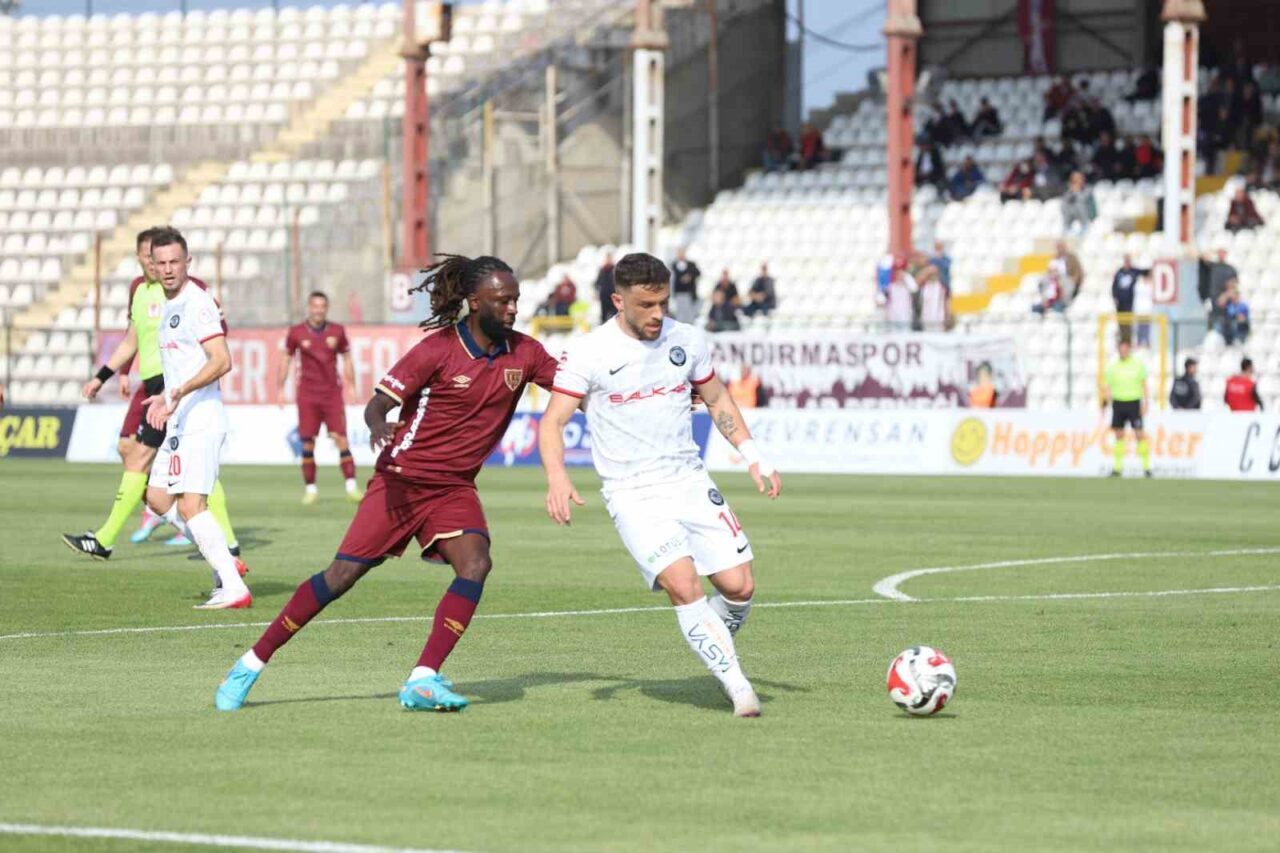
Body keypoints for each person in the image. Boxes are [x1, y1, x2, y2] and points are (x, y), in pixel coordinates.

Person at [214, 253, 561, 713]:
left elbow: (575, 386)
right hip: (402, 482)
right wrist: (379, 425)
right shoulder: (437, 350)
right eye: (503, 301)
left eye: (516, 300)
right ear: (476, 303)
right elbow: (377, 405)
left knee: (476, 564)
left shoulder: (526, 353)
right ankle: (252, 662)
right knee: (339, 578)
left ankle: (422, 677)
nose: (513, 309)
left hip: (454, 486)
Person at [539, 252, 782, 718]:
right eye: (646, 305)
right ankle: (737, 686)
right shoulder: (590, 352)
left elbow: (716, 399)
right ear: (618, 300)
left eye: (663, 303)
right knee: (684, 585)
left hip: (688, 479)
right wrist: (557, 477)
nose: (657, 314)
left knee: (740, 586)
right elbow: (553, 422)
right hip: (632, 494)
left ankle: (709, 642)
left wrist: (754, 457)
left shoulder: (686, 340)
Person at [62, 227, 244, 569]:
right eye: (152, 258)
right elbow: (133, 339)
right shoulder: (140, 290)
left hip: (172, 387)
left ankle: (105, 538)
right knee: (132, 453)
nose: (159, 265)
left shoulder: (191, 292)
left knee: (143, 462)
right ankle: (225, 545)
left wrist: (175, 387)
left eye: (166, 259)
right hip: (151, 388)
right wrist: (107, 375)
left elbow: (217, 346)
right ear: (143, 259)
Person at [134, 229, 253, 608]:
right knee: (155, 496)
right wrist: (166, 396)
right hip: (179, 418)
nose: (168, 269)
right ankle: (223, 558)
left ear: (188, 262)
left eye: (175, 262)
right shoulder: (168, 304)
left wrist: (178, 392)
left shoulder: (197, 303)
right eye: (161, 263)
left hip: (201, 417)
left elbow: (222, 361)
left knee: (191, 505)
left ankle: (234, 587)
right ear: (152, 265)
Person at [279, 291, 361, 505]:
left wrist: (352, 386)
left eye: (322, 306)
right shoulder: (296, 332)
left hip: (332, 394)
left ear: (327, 308)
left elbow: (347, 359)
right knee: (307, 444)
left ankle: (351, 487)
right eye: (315, 306)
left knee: (341, 439)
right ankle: (311, 489)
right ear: (309, 307)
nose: (318, 310)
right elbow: (286, 359)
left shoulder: (337, 331)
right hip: (307, 395)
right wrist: (280, 389)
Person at [1100, 336, 1152, 478]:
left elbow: (1144, 384)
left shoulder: (1137, 364)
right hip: (1118, 403)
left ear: (1129, 349)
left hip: (1134, 402)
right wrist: (1105, 403)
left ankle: (1147, 467)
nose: (1123, 351)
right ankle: (1117, 468)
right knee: (1118, 435)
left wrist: (1146, 403)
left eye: (1125, 348)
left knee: (1139, 434)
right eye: (1120, 348)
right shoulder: (1113, 367)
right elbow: (1107, 386)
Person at [1111, 255, 1148, 335]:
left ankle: (1128, 336)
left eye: (1128, 261)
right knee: (1121, 320)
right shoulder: (1119, 272)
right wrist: (1115, 297)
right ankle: (1122, 334)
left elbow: (1144, 272)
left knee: (1129, 320)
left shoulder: (1133, 271)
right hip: (1121, 302)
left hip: (1130, 301)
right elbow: (1114, 286)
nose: (1127, 263)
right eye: (1125, 261)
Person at [670, 247, 701, 324]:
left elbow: (698, 273)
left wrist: (689, 276)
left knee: (689, 314)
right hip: (678, 293)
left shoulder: (691, 264)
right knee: (680, 314)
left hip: (689, 293)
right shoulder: (673, 265)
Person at [884, 258, 916, 330]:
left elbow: (914, 288)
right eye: (897, 272)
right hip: (893, 317)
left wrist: (905, 276)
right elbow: (886, 299)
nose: (899, 274)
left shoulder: (908, 285)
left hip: (905, 316)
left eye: (901, 272)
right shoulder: (891, 287)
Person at [1216, 279, 1251, 345]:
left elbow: (1241, 319)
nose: (1230, 294)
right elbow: (1220, 303)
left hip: (1240, 332)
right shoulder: (1229, 305)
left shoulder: (1242, 305)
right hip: (1229, 331)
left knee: (1233, 324)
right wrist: (1226, 295)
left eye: (1232, 292)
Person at [595, 252, 616, 324]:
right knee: (604, 314)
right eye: (607, 259)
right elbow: (597, 283)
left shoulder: (615, 269)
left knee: (614, 314)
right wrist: (596, 292)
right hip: (604, 295)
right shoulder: (602, 270)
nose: (608, 260)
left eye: (609, 259)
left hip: (613, 295)